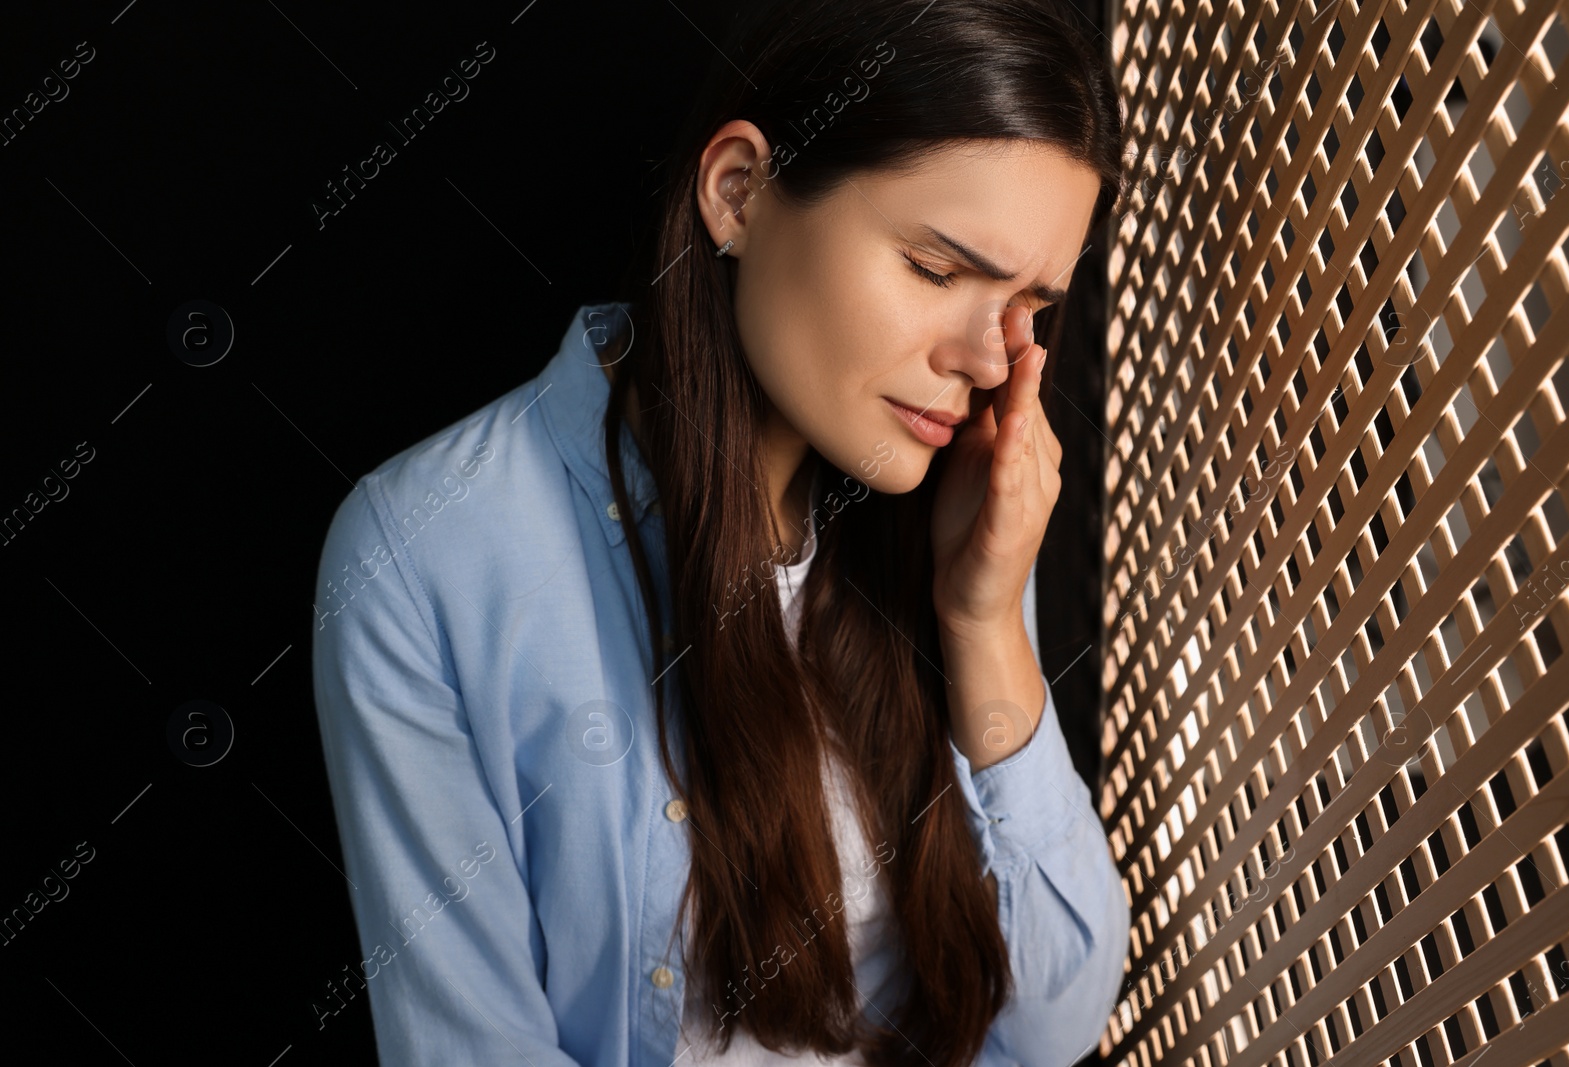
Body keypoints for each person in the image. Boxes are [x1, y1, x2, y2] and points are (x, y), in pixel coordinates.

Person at [310, 0, 1131, 1064]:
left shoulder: (960, 510)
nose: (986, 359)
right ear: (739, 192)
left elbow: (1055, 1024)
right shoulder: (429, 553)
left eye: (1027, 303)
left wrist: (982, 619)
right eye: (936, 269)